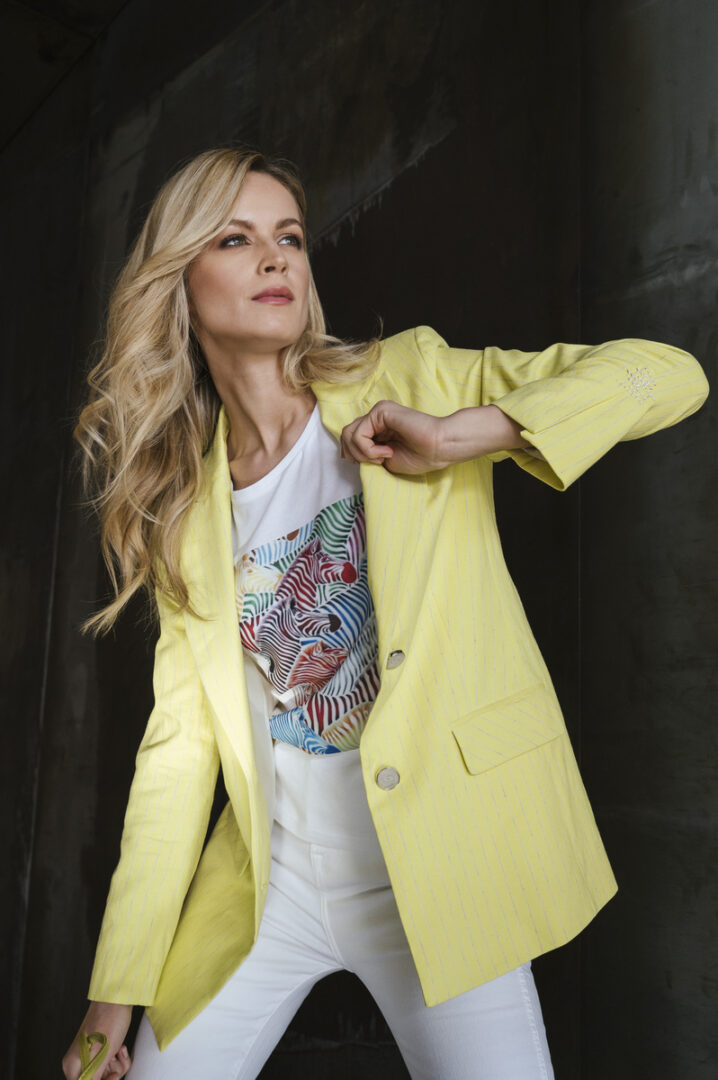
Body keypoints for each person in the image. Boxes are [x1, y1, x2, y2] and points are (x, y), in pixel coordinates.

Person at [62, 145, 710, 1080]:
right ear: (179, 281)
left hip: (436, 869)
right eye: (235, 240)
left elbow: (668, 374)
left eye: (289, 236)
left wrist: (462, 435)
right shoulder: (183, 510)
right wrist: (112, 995)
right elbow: (176, 757)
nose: (275, 257)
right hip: (271, 887)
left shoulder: (410, 378)